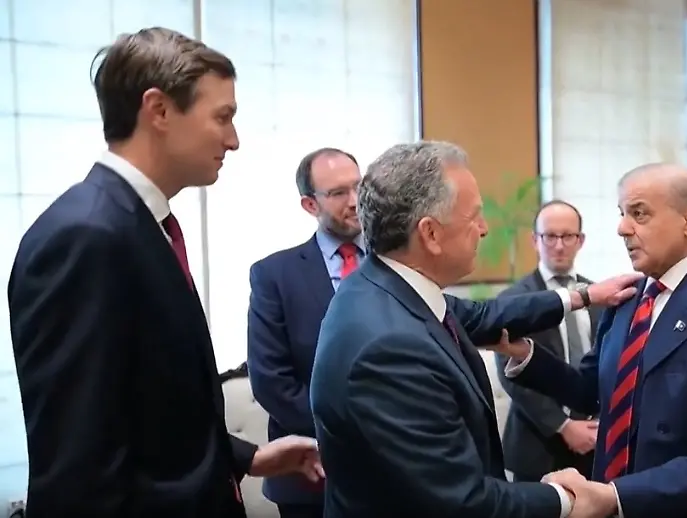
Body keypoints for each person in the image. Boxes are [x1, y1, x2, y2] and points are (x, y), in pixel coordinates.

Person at [7, 27, 321, 518]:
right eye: (222, 117)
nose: (234, 140)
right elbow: (80, 462)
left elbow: (151, 407)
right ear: (158, 111)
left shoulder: (140, 224)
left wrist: (248, 458)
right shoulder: (86, 236)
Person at [309, 141, 643, 518]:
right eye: (474, 217)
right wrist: (568, 498)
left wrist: (583, 296)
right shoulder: (390, 348)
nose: (484, 230)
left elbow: (486, 316)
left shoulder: (384, 289)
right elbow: (463, 501)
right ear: (430, 234)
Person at [500, 163, 687, 518]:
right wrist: (527, 354)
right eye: (622, 213)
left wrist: (615, 496)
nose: (622, 228)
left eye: (639, 213)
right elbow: (589, 390)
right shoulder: (625, 300)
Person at [248, 147, 363, 518]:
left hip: (397, 472)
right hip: (311, 475)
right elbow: (271, 382)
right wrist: (350, 434)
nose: (355, 201)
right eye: (338, 193)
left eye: (359, 187)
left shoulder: (395, 263)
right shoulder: (274, 275)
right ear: (310, 205)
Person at [495, 200, 601, 481]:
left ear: (580, 240)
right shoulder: (514, 300)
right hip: (537, 444)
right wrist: (563, 425)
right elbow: (511, 374)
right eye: (550, 236)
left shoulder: (599, 295)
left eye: (568, 236)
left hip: (595, 443)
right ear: (535, 240)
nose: (559, 245)